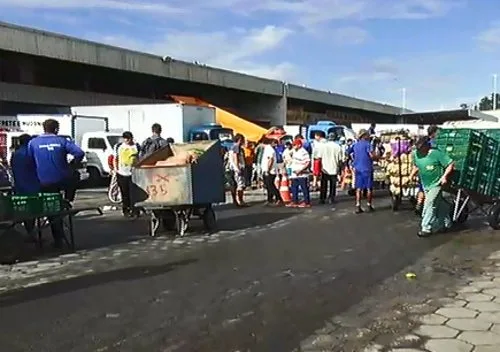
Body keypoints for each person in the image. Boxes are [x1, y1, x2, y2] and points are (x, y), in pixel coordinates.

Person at [28, 119, 85, 248]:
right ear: (56, 129)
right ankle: (68, 200)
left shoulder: (33, 143)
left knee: (52, 209)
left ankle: (56, 236)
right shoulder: (62, 141)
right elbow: (80, 153)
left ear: (43, 128)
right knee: (75, 174)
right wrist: (73, 164)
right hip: (63, 180)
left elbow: (29, 160)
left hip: (43, 182)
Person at [409, 136, 454, 237]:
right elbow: (416, 166)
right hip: (426, 184)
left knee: (430, 203)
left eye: (421, 147)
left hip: (436, 183)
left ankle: (426, 227)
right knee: (440, 204)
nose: (419, 149)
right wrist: (411, 175)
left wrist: (444, 177)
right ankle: (445, 222)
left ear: (426, 145)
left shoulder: (436, 154)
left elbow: (450, 164)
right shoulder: (416, 154)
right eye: (417, 147)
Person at [11, 134, 39, 235]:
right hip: (33, 185)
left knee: (25, 210)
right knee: (33, 211)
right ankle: (31, 232)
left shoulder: (15, 154)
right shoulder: (31, 153)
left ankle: (29, 231)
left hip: (19, 186)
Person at [113, 131, 141, 217]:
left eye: (128, 138)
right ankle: (126, 209)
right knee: (124, 193)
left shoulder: (136, 146)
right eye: (125, 138)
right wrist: (115, 169)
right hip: (122, 173)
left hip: (133, 173)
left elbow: (140, 158)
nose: (127, 140)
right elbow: (115, 158)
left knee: (134, 193)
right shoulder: (119, 147)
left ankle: (135, 210)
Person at [351, 129, 376, 213]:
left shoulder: (355, 145)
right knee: (369, 188)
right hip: (367, 168)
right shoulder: (368, 144)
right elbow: (371, 155)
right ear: (365, 136)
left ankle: (358, 205)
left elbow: (351, 154)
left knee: (358, 188)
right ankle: (369, 205)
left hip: (357, 168)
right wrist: (377, 157)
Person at [318, 132, 344, 204]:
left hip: (324, 168)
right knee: (333, 185)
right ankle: (331, 198)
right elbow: (340, 160)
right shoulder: (338, 147)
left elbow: (319, 158)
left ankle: (322, 198)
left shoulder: (323, 146)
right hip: (334, 167)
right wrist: (340, 169)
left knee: (324, 184)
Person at [287, 139, 311, 208]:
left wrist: (301, 170)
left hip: (302, 174)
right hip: (294, 174)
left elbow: (308, 163)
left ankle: (307, 202)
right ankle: (295, 201)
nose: (293, 146)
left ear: (299, 145)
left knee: (304, 188)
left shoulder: (303, 152)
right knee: (294, 188)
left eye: (295, 145)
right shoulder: (294, 151)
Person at [261, 139, 281, 205]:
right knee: (268, 186)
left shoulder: (270, 150)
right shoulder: (269, 149)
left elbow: (271, 160)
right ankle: (270, 199)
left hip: (270, 171)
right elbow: (269, 160)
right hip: (267, 170)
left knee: (270, 186)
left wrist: (268, 170)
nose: (276, 145)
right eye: (275, 143)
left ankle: (278, 198)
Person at [229, 133, 247, 206]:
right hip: (237, 168)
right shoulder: (236, 147)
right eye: (243, 140)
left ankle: (235, 201)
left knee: (234, 185)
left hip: (232, 168)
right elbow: (235, 157)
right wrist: (238, 168)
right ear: (240, 140)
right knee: (241, 185)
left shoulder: (231, 146)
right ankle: (241, 201)